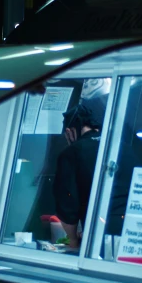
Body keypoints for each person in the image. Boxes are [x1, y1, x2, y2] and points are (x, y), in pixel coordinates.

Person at [52, 95, 107, 249]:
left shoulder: (73, 152)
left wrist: (72, 240)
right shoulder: (116, 147)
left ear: (69, 132)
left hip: (96, 238)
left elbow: (67, 203)